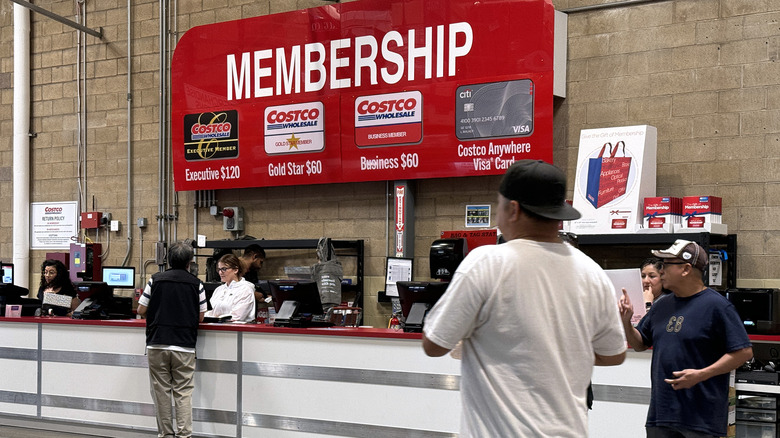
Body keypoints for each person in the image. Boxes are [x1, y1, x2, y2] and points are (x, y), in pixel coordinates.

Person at [422, 159, 627, 437]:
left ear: (513, 209)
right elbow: (613, 355)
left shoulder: (486, 263)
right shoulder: (592, 273)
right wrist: (559, 353)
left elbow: (434, 344)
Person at [619, 240, 753, 438]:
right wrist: (626, 322)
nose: (661, 270)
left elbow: (744, 352)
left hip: (701, 421)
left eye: (666, 265)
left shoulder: (717, 306)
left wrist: (702, 374)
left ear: (686, 269)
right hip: (661, 416)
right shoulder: (661, 305)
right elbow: (640, 343)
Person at [137, 241, 207, 438]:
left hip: (157, 342)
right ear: (190, 262)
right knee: (183, 392)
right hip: (184, 345)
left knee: (161, 392)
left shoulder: (155, 280)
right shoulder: (197, 284)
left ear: (168, 259)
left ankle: (166, 435)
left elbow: (141, 309)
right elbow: (201, 316)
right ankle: (184, 435)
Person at [205, 253, 255, 322]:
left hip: (237, 331)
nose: (220, 272)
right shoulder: (218, 290)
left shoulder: (245, 289)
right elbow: (211, 312)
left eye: (224, 269)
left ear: (235, 270)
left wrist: (216, 318)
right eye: (219, 269)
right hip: (216, 329)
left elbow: (237, 316)